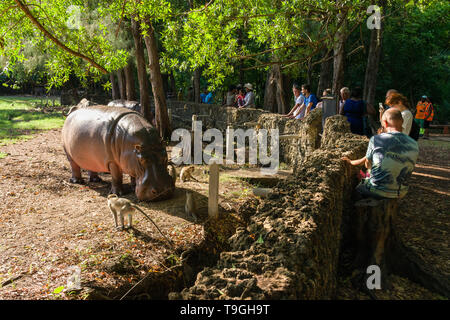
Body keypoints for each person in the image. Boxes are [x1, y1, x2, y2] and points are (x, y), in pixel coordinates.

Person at [342, 108, 419, 199]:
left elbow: (367, 164)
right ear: (402, 121)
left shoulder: (376, 139)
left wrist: (350, 162)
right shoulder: (414, 144)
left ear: (385, 123)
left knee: (357, 189)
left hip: (376, 190)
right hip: (401, 192)